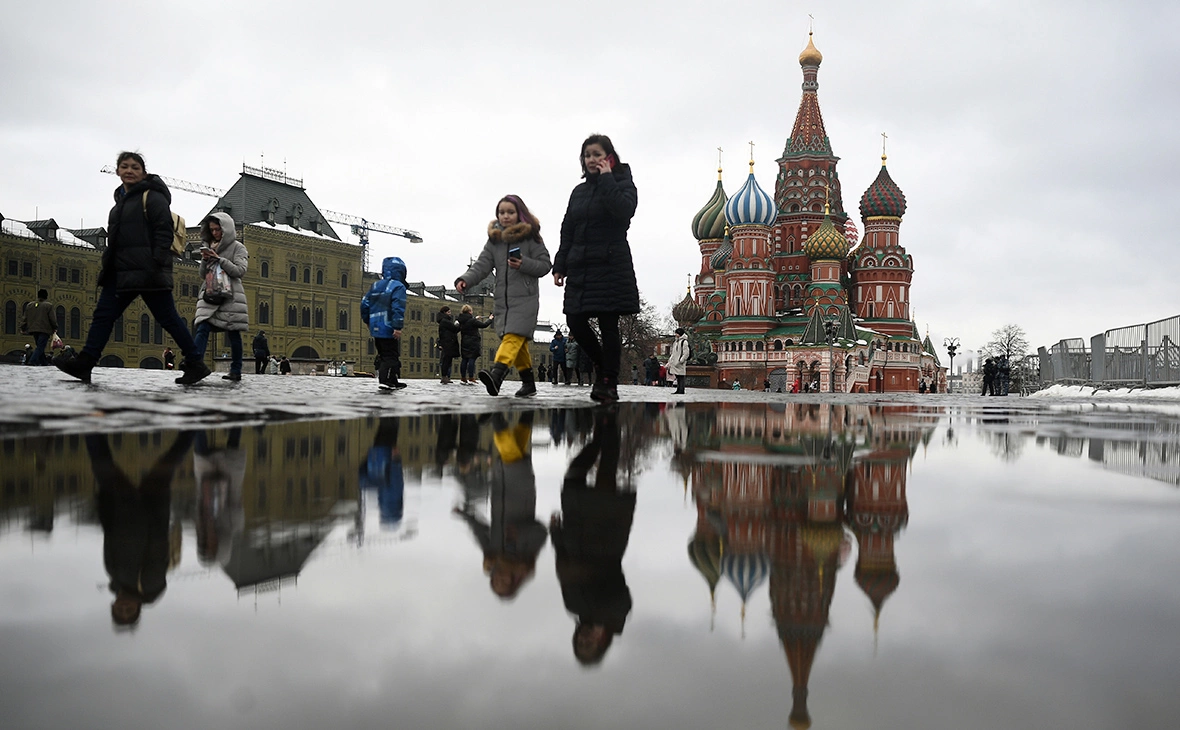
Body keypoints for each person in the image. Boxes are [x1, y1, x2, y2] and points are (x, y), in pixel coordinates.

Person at [56, 151, 210, 385]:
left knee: (169, 319)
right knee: (103, 317)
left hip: (148, 272)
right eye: (124, 166)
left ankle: (196, 363)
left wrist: (156, 263)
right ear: (117, 171)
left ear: (143, 172)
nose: (129, 170)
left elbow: (163, 232)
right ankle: (85, 363)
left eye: (135, 167)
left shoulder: (153, 197)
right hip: (121, 272)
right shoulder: (120, 202)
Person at [553, 134, 640, 404]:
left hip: (610, 264)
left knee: (608, 323)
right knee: (574, 321)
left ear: (609, 157)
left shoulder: (623, 182)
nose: (592, 159)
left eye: (597, 154)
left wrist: (606, 179)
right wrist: (560, 264)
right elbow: (568, 228)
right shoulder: (578, 192)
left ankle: (608, 382)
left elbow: (624, 211)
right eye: (587, 155)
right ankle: (604, 368)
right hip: (581, 265)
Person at [550, 409, 635, 665]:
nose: (584, 637)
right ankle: (609, 425)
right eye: (590, 643)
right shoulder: (617, 615)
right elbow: (618, 590)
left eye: (580, 641)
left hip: (576, 528)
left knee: (573, 474)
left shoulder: (573, 607)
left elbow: (562, 568)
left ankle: (600, 435)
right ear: (603, 641)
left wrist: (556, 534)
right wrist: (600, 618)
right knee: (607, 472)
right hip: (605, 536)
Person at [86, 429, 195, 628]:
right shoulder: (149, 585)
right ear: (138, 608)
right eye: (129, 610)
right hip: (145, 506)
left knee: (102, 464)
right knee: (166, 463)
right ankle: (195, 425)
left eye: (119, 610)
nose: (124, 606)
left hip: (122, 507)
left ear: (113, 605)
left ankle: (91, 422)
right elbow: (157, 543)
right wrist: (139, 506)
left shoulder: (113, 575)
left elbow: (109, 536)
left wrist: (104, 506)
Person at [454, 194, 552, 397]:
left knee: (512, 337)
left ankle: (497, 375)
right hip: (502, 301)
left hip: (525, 299)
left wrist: (523, 263)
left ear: (519, 214)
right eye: (501, 212)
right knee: (518, 342)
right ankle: (529, 384)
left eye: (510, 212)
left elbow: (545, 265)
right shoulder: (494, 241)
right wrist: (466, 279)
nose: (505, 216)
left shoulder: (531, 238)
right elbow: (481, 265)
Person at [454, 412, 547, 601]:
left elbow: (480, 532)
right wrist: (518, 533)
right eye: (503, 583)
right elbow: (541, 532)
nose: (499, 579)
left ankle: (527, 414)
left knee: (516, 448)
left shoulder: (492, 557)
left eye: (495, 582)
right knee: (510, 454)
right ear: (514, 581)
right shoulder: (526, 558)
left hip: (500, 487)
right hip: (522, 491)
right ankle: (497, 418)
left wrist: (465, 515)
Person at [190, 212, 249, 382]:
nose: (215, 233)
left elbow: (240, 271)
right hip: (210, 294)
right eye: (212, 230)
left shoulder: (238, 248)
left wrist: (219, 259)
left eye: (218, 229)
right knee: (203, 327)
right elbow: (202, 274)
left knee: (233, 333)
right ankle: (197, 365)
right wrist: (205, 260)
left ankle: (236, 370)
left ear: (226, 229)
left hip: (231, 297)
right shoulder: (210, 245)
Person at [361, 256, 408, 390]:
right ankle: (386, 380)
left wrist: (367, 321)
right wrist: (397, 327)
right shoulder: (398, 287)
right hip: (388, 326)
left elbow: (364, 304)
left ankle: (393, 380)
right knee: (391, 356)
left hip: (375, 326)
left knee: (384, 354)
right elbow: (398, 308)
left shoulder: (376, 285)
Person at [456, 304, 493, 385]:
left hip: (464, 341)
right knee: (472, 359)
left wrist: (475, 319)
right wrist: (490, 319)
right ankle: (471, 377)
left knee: (464, 359)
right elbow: (484, 325)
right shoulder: (472, 321)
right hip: (473, 342)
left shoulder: (461, 320)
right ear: (469, 311)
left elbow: (468, 322)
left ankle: (463, 377)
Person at [20, 288, 58, 366]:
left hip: (33, 329)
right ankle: (32, 361)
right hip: (44, 329)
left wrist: (23, 327)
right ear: (46, 296)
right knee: (40, 347)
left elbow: (25, 317)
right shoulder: (48, 306)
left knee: (39, 346)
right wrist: (55, 327)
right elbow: (52, 318)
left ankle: (44, 362)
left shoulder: (30, 305)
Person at [436, 305, 461, 384]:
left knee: (447, 361)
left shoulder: (444, 321)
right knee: (446, 361)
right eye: (449, 312)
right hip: (448, 343)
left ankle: (445, 377)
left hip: (447, 343)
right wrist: (458, 324)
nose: (450, 314)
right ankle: (444, 377)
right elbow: (454, 329)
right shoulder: (445, 321)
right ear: (444, 312)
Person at [667, 328, 690, 395]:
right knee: (677, 377)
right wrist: (671, 360)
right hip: (675, 362)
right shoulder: (676, 342)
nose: (675, 334)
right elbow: (673, 353)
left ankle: (681, 390)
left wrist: (681, 360)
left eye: (677, 333)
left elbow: (686, 353)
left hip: (680, 363)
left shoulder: (684, 342)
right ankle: (678, 389)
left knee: (681, 377)